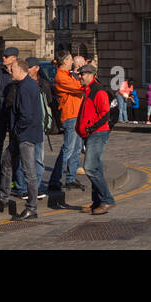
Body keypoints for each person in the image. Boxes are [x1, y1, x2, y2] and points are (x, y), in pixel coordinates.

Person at [0, 57, 44, 220]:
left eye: (12, 69)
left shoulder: (25, 87)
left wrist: (16, 130)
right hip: (22, 134)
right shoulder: (25, 85)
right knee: (7, 161)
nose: (10, 72)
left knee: (28, 171)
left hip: (25, 135)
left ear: (22, 70)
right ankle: (3, 195)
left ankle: (31, 208)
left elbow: (27, 116)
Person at [75, 63, 114, 215]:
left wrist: (91, 128)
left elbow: (106, 114)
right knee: (96, 168)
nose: (80, 77)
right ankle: (97, 201)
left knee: (90, 168)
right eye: (79, 74)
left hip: (98, 133)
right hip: (90, 134)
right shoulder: (88, 90)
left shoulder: (98, 91)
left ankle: (107, 200)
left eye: (82, 74)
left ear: (91, 75)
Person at [47, 55, 86, 194]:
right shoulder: (61, 77)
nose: (72, 62)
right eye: (70, 59)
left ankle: (71, 178)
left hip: (77, 114)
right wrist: (82, 79)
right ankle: (54, 180)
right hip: (70, 115)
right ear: (64, 61)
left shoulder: (68, 75)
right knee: (68, 148)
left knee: (76, 148)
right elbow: (79, 88)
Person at [0, 46, 20, 195]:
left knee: (15, 148)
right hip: (1, 114)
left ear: (14, 58)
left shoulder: (19, 73)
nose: (4, 58)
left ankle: (14, 179)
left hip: (14, 115)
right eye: (3, 55)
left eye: (7, 56)